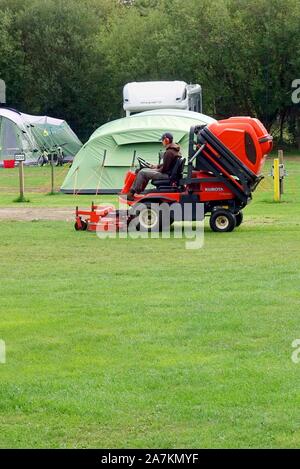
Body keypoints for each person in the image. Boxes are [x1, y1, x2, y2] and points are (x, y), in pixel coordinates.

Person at [126, 132, 181, 201]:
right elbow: (167, 164)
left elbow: (165, 169)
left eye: (162, 140)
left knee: (142, 172)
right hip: (169, 174)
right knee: (145, 170)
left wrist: (156, 170)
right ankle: (138, 190)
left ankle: (131, 193)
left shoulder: (169, 152)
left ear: (166, 140)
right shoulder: (174, 151)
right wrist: (155, 166)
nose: (162, 142)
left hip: (167, 175)